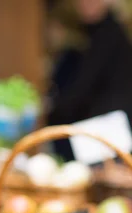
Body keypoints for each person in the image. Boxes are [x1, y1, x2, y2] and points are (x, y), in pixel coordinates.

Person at [49, 0, 132, 161]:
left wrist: (55, 109)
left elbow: (83, 86)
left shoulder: (109, 34)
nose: (85, 4)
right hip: (101, 132)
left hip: (109, 134)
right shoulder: (90, 34)